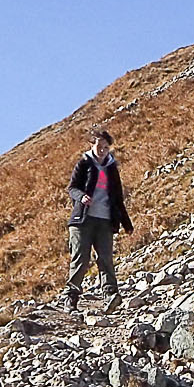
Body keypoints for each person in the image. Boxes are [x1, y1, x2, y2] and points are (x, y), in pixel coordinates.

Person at [66, 130, 131, 313]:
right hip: (82, 221)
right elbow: (72, 188)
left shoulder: (112, 169)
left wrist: (126, 223)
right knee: (81, 258)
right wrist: (81, 197)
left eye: (105, 147)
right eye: (99, 146)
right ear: (91, 145)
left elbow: (118, 198)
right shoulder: (84, 164)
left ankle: (111, 295)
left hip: (105, 220)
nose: (102, 150)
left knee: (106, 258)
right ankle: (71, 297)